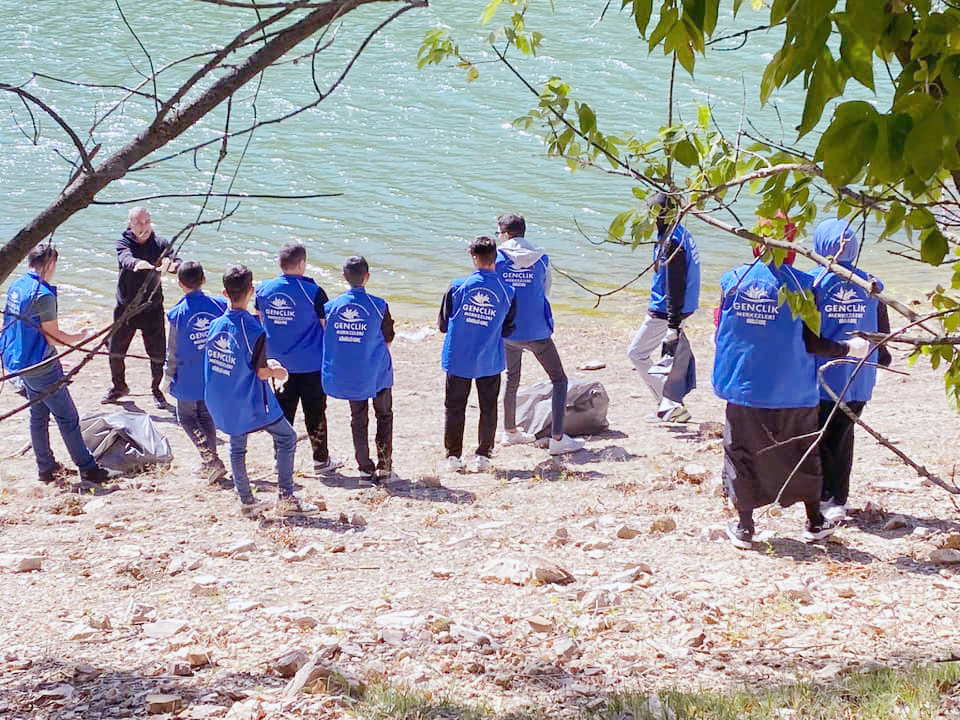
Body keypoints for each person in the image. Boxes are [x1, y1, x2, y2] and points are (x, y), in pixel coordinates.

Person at [712, 231, 870, 549]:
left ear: (755, 244)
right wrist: (849, 349)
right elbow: (813, 343)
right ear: (791, 247)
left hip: (745, 386)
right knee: (802, 453)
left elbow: (720, 327)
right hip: (792, 389)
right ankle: (814, 522)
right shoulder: (803, 285)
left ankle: (745, 527)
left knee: (741, 452)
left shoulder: (733, 279)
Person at [204, 264, 319, 518]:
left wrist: (267, 365)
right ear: (252, 290)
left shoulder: (215, 325)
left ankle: (246, 500)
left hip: (223, 398)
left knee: (237, 445)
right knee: (287, 437)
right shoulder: (254, 329)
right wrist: (278, 372)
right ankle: (286, 498)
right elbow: (260, 372)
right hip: (251, 401)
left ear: (224, 292)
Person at [1, 244, 109, 484]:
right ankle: (88, 468)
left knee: (38, 413)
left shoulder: (18, 285)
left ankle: (46, 468)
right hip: (41, 366)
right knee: (67, 417)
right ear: (50, 264)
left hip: (21, 360)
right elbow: (53, 337)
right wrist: (80, 336)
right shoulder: (44, 295)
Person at [812, 219, 891, 521]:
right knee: (843, 436)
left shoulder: (815, 282)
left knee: (822, 437)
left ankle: (824, 499)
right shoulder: (870, 284)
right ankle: (836, 499)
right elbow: (882, 331)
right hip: (859, 378)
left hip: (824, 378)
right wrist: (882, 357)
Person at [494, 214, 585, 456]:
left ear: (503, 233)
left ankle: (510, 431)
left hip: (508, 329)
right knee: (559, 380)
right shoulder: (541, 258)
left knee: (512, 378)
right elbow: (545, 291)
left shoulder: (497, 257)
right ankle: (557, 437)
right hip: (536, 330)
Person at [255, 242, 341, 477]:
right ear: (302, 264)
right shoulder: (314, 291)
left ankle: (279, 460)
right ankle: (321, 460)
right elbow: (327, 327)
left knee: (282, 413)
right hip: (311, 364)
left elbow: (259, 320)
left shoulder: (263, 290)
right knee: (315, 412)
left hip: (277, 366)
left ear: (279, 263)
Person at [439, 236, 517, 473]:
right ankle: (484, 454)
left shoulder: (457, 286)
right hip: (489, 359)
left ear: (474, 258)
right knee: (488, 406)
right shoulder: (508, 291)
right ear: (495, 258)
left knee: (455, 407)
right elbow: (508, 327)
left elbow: (443, 324)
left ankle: (453, 456)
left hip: (458, 357)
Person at [626, 194, 701, 423]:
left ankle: (670, 405)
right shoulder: (678, 233)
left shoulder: (671, 242)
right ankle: (669, 405)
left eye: (652, 213)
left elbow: (676, 283)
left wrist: (673, 324)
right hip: (677, 307)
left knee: (637, 353)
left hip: (666, 310)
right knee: (666, 360)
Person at [322, 256, 395, 481]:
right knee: (384, 416)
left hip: (350, 373)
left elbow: (330, 336)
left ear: (344, 277)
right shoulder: (378, 304)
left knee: (358, 418)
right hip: (377, 372)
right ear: (367, 277)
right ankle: (385, 467)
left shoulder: (331, 306)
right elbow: (388, 338)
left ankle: (364, 468)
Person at [103, 206, 180, 409]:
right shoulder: (123, 242)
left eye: (146, 222)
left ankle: (157, 390)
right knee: (115, 350)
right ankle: (119, 386)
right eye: (139, 223)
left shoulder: (160, 243)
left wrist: (171, 264)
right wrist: (138, 264)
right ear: (130, 224)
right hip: (126, 308)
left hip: (152, 308)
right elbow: (125, 258)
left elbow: (175, 260)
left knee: (157, 354)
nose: (144, 227)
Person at [163, 261, 228, 483]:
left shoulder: (177, 314)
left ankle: (211, 460)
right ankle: (210, 461)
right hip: (213, 372)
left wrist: (166, 377)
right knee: (205, 414)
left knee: (187, 417)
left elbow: (172, 351)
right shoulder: (220, 305)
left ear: (180, 284)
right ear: (204, 279)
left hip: (187, 376)